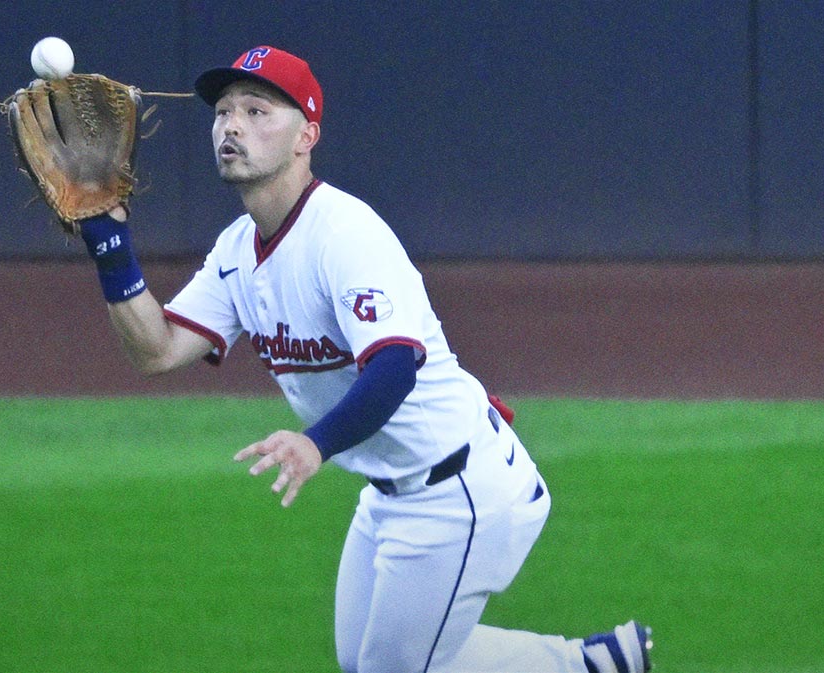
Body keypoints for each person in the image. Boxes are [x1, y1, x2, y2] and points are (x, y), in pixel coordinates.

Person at [73, 45, 652, 673]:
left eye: (257, 110)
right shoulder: (239, 249)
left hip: (460, 489)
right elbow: (156, 350)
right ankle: (593, 665)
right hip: (387, 493)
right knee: (367, 663)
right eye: (224, 112)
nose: (231, 125)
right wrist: (110, 243)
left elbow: (395, 366)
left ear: (306, 136)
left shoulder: (343, 235)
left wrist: (315, 444)